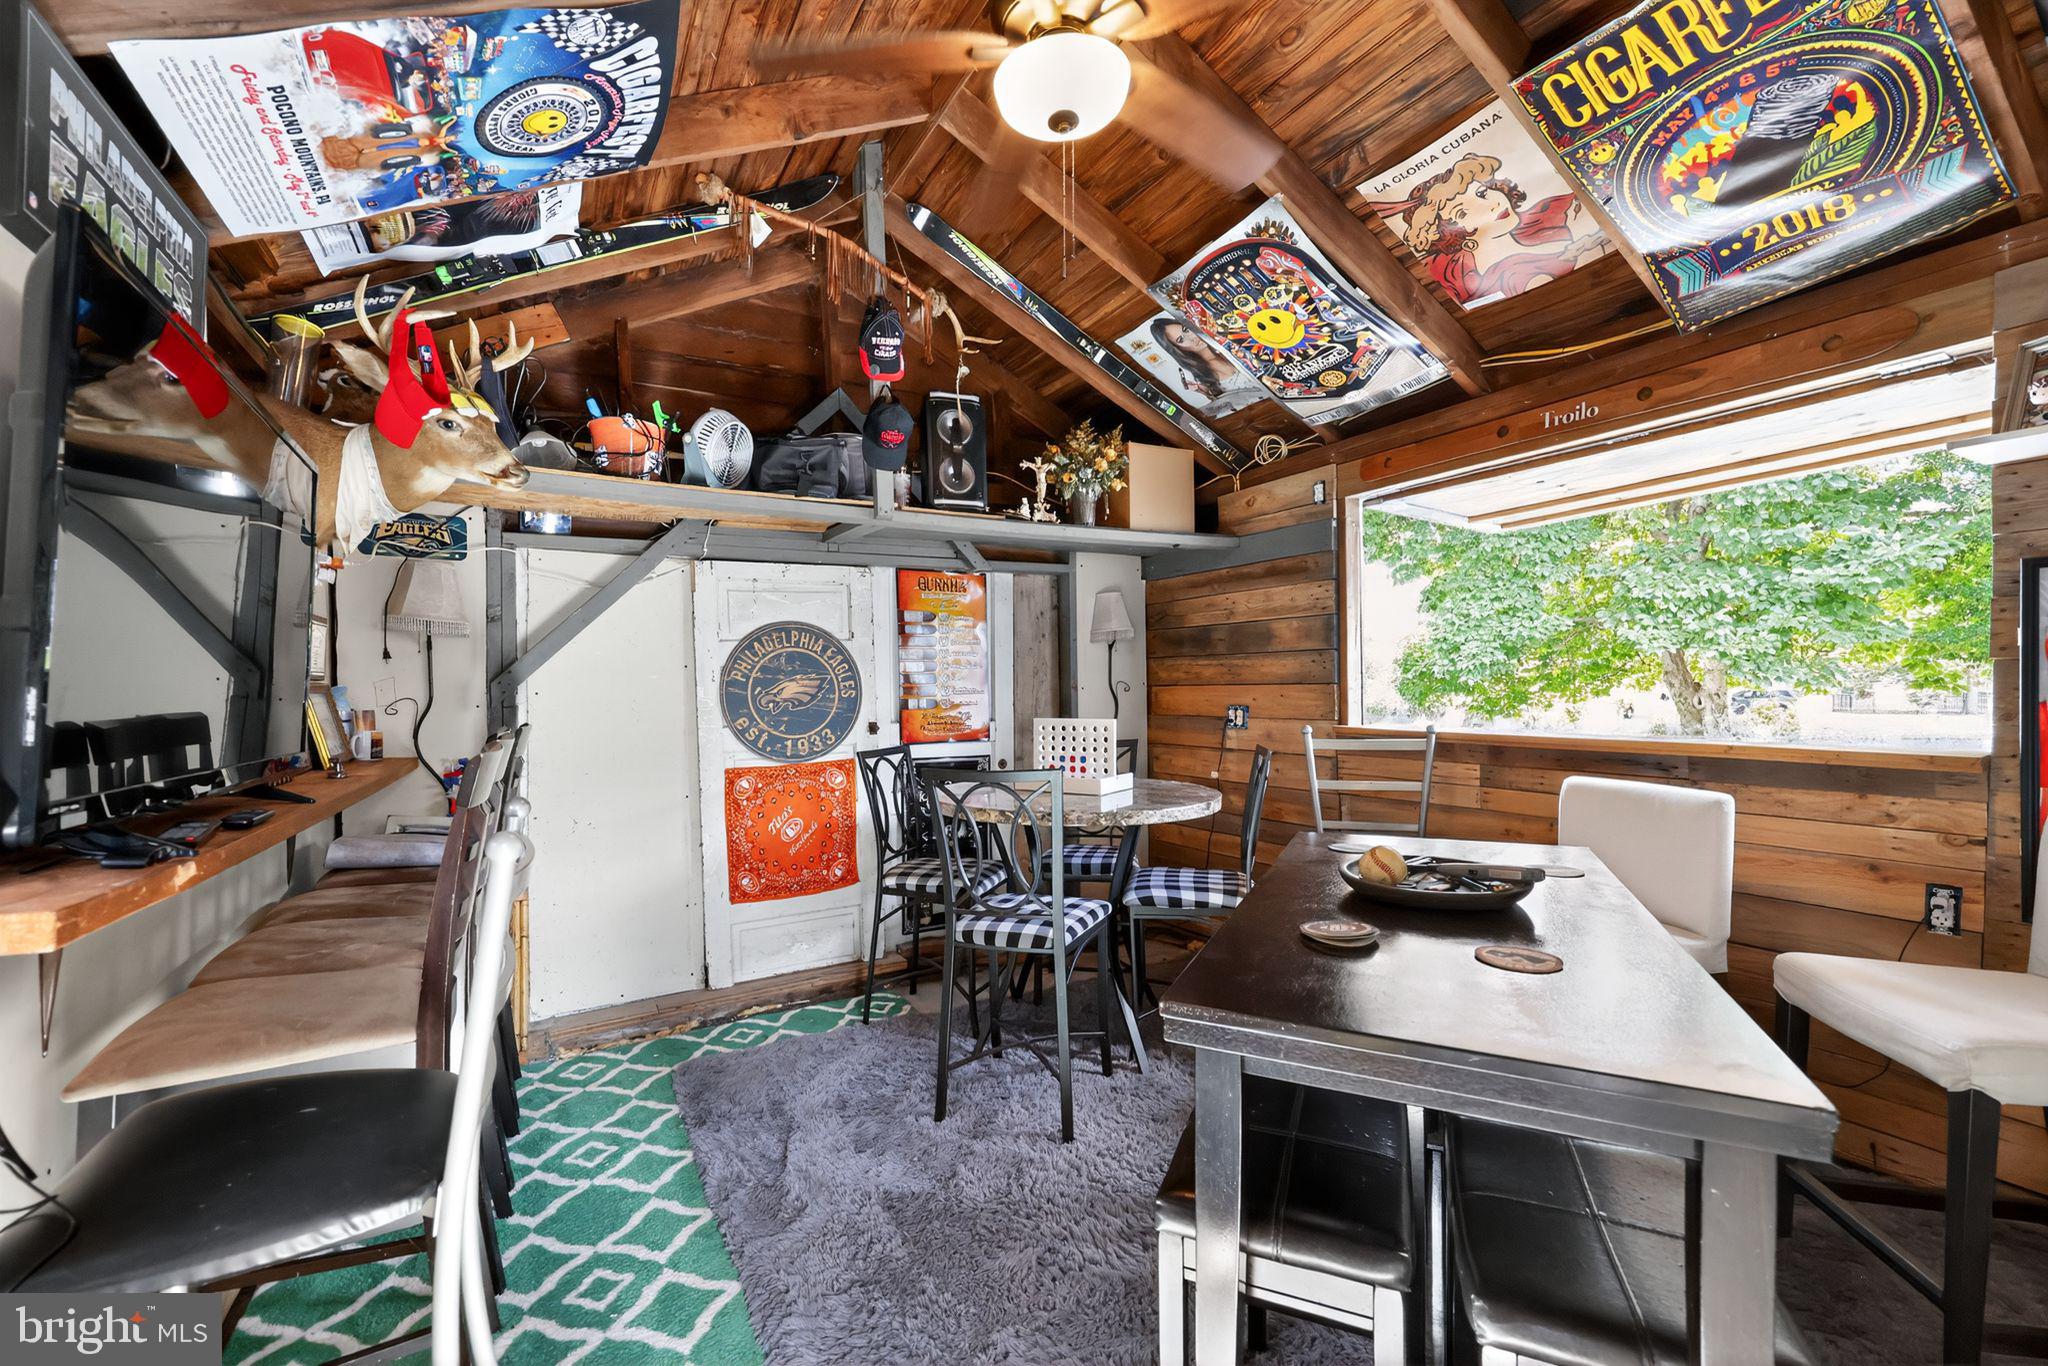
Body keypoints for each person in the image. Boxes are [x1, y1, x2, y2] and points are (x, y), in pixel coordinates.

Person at [1399, 154, 1607, 307]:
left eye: (1482, 192)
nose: (1492, 205)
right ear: (1452, 237)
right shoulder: (1510, 277)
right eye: (1462, 214)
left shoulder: (1538, 220)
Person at [1149, 317, 1244, 401]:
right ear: (1178, 349)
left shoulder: (1223, 342)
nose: (1192, 338)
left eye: (1185, 329)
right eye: (1181, 340)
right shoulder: (1210, 369)